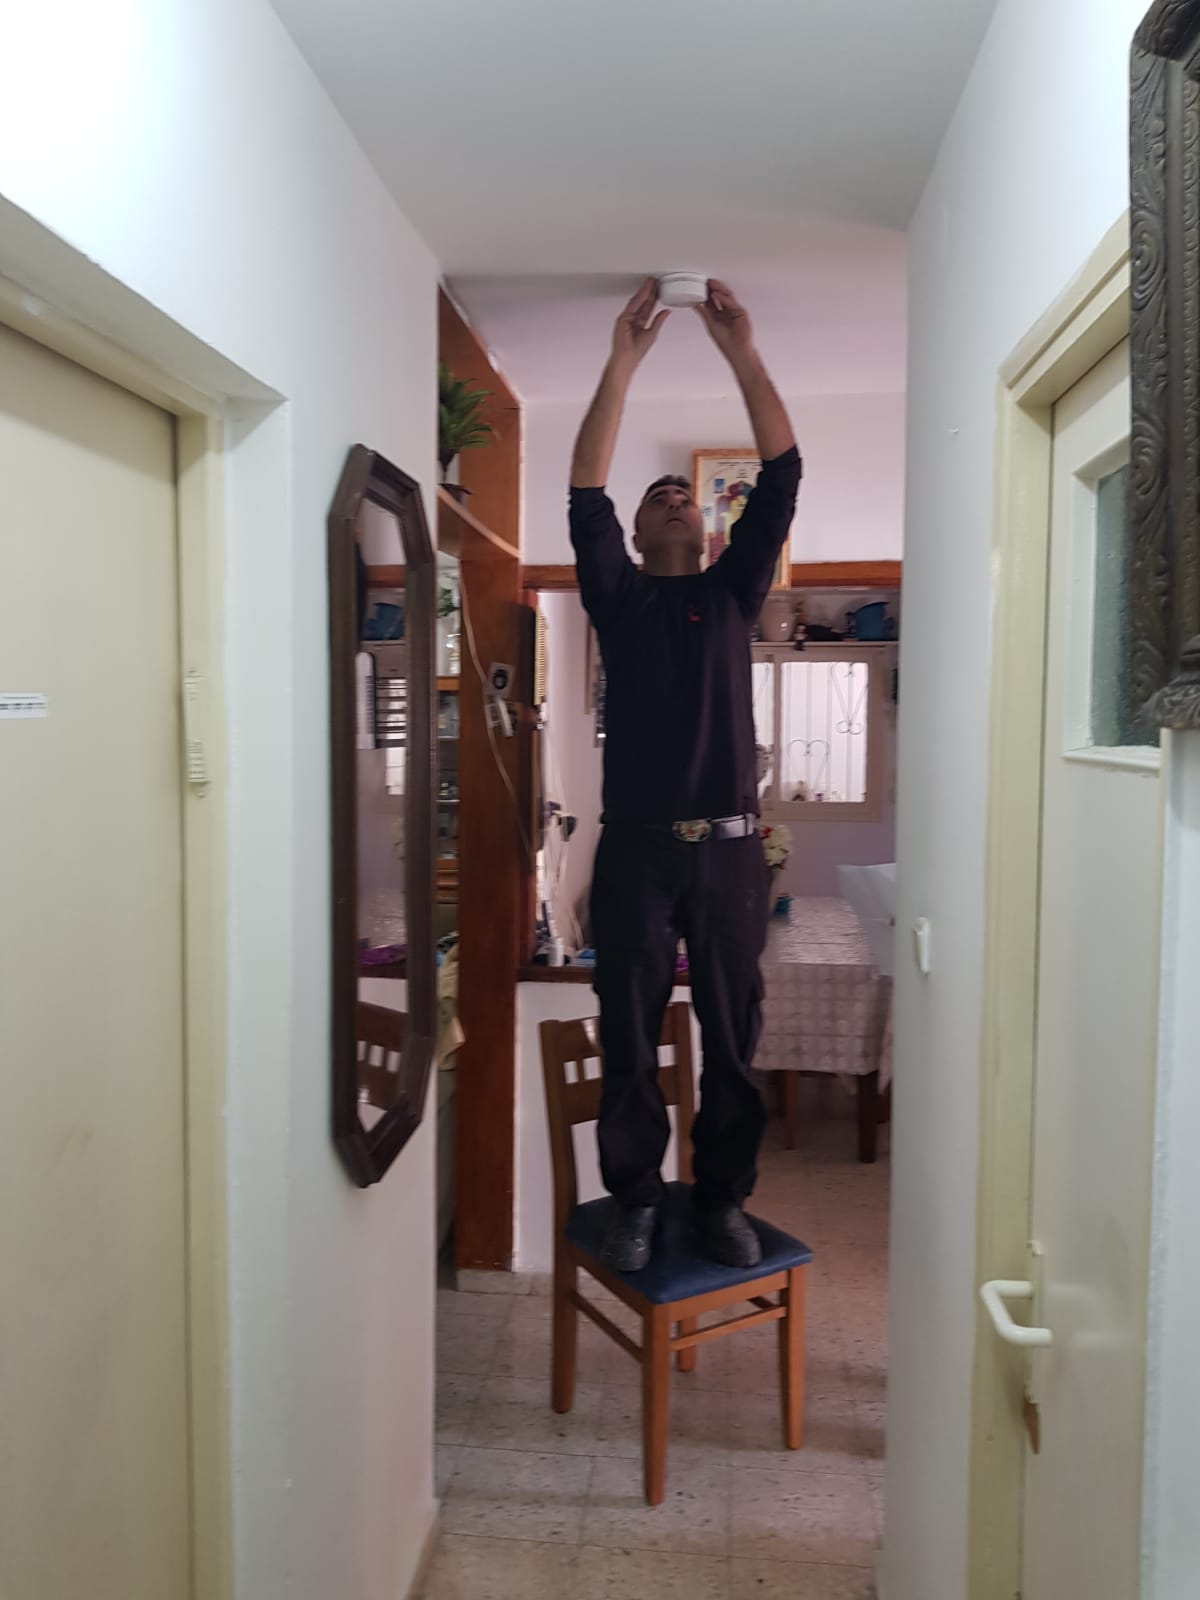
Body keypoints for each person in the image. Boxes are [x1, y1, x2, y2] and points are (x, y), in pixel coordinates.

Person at [569, 277, 802, 1271]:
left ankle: (721, 1200)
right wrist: (622, 361)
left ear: (708, 531)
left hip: (731, 856)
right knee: (627, 1031)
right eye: (655, 496)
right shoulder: (618, 599)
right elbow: (585, 490)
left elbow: (783, 474)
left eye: (684, 496)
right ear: (634, 537)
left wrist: (739, 351)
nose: (672, 496)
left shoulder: (735, 591)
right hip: (635, 854)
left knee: (731, 1035)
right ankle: (634, 1197)